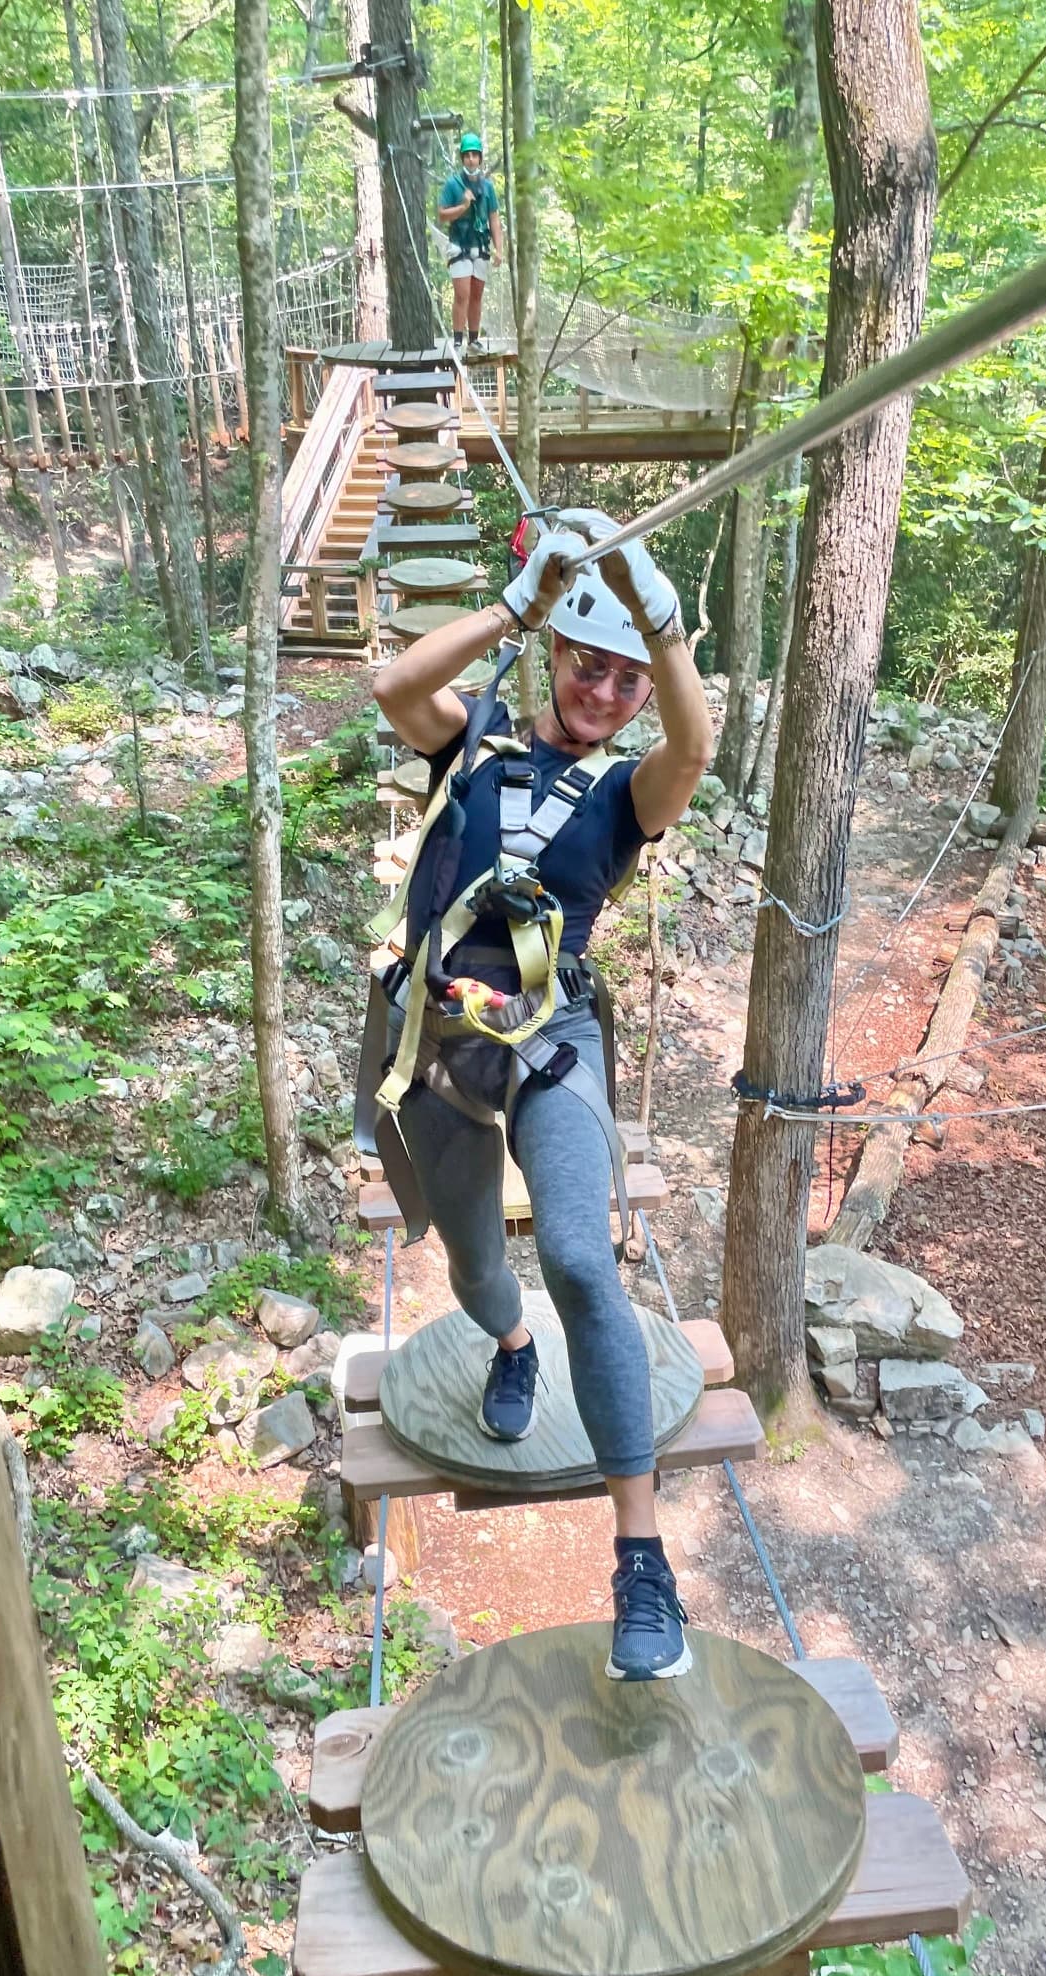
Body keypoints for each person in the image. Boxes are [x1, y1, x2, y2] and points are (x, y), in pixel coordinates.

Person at [369, 510, 714, 1681]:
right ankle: (512, 1345)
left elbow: (695, 748)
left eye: (626, 678)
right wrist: (521, 602)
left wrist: (658, 623)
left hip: (552, 1034)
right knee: (475, 1267)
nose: (608, 692)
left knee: (577, 1252)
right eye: (590, 664)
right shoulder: (468, 744)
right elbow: (394, 684)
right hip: (442, 1035)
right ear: (554, 660)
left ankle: (643, 1562)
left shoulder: (629, 801)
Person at [436, 133, 503, 354]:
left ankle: (473, 339)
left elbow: (493, 218)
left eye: (475, 155)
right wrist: (463, 206)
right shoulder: (453, 185)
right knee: (462, 294)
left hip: (480, 246)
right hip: (459, 246)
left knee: (476, 295)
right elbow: (442, 215)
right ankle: (457, 340)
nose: (471, 160)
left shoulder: (488, 188)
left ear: (480, 158)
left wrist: (499, 248)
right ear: (462, 158)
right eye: (467, 155)